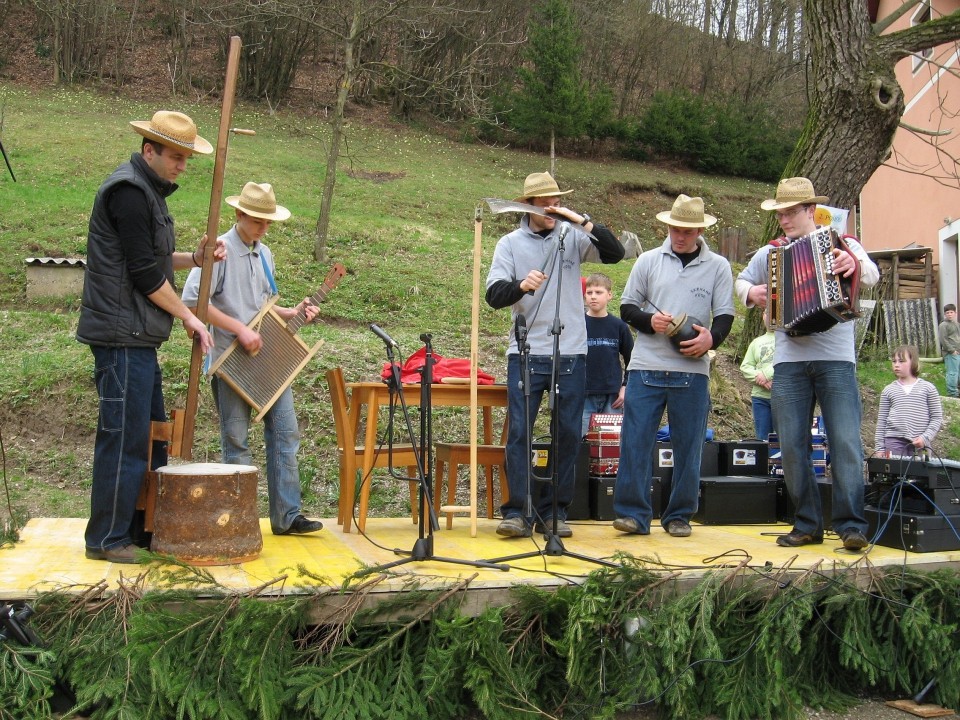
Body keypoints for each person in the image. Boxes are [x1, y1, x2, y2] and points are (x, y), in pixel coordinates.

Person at [77, 110, 224, 563]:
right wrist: (192, 317)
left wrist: (194, 259)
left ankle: (140, 529)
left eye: (186, 158)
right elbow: (143, 275)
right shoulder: (128, 193)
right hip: (122, 336)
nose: (182, 166)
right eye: (175, 157)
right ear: (149, 151)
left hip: (139, 337)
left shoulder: (148, 194)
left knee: (152, 439)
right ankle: (106, 539)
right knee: (125, 438)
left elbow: (152, 257)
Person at [735, 177, 880, 551]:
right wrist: (751, 293)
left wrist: (852, 264)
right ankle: (807, 524)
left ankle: (851, 526)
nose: (783, 220)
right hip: (789, 360)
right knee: (792, 444)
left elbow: (873, 276)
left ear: (810, 211)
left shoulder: (843, 243)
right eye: (779, 213)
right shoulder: (771, 252)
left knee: (845, 442)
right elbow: (741, 283)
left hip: (835, 359)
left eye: (789, 212)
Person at [486, 172, 624, 538]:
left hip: (571, 353)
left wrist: (580, 220)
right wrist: (520, 286)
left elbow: (615, 253)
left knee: (565, 434)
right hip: (527, 352)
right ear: (527, 205)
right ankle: (517, 511)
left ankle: (555, 511)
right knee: (520, 433)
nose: (551, 208)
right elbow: (494, 296)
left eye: (556, 201)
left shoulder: (574, 237)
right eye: (544, 202)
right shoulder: (510, 243)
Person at [181, 182, 324, 536]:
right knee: (236, 441)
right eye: (257, 220)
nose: (263, 227)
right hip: (231, 363)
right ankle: (239, 520)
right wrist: (239, 329)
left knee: (286, 434)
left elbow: (266, 309)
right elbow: (193, 302)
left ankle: (287, 517)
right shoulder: (219, 250)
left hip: (267, 361)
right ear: (239, 213)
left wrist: (293, 313)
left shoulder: (265, 254)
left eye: (268, 221)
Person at [611, 194, 734, 538]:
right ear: (667, 226)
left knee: (689, 445)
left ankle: (678, 514)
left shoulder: (719, 266)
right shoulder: (648, 261)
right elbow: (626, 308)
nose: (680, 236)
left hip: (693, 371)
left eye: (687, 231)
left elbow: (725, 315)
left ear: (699, 230)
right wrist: (652, 322)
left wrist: (712, 340)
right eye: (675, 229)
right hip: (646, 366)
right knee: (635, 441)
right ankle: (633, 515)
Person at [581, 272, 634, 436]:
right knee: (583, 443)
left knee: (611, 444)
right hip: (584, 395)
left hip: (613, 396)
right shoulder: (578, 324)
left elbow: (632, 359)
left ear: (609, 295)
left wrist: (625, 386)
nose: (593, 297)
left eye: (598, 292)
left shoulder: (619, 326)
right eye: (589, 293)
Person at [875, 345, 943, 455]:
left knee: (919, 472)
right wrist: (879, 448)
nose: (896, 365)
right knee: (895, 472)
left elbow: (937, 417)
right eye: (894, 361)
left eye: (901, 361)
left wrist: (925, 438)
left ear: (913, 362)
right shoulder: (888, 390)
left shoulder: (928, 388)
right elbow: (882, 421)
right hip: (893, 440)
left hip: (920, 444)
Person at [739, 310, 776, 441]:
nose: (769, 316)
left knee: (783, 439)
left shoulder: (788, 339)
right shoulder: (756, 342)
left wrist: (767, 374)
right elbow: (745, 367)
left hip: (782, 397)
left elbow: (786, 362)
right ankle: (763, 462)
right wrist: (761, 378)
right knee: (762, 439)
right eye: (766, 313)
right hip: (760, 398)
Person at [939, 303, 960, 398]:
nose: (950, 314)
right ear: (945, 314)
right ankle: (952, 393)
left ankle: (957, 391)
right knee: (952, 373)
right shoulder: (943, 325)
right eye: (947, 313)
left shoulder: (957, 324)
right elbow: (943, 340)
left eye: (951, 312)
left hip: (958, 351)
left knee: (958, 372)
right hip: (950, 353)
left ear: (955, 313)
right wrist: (952, 350)